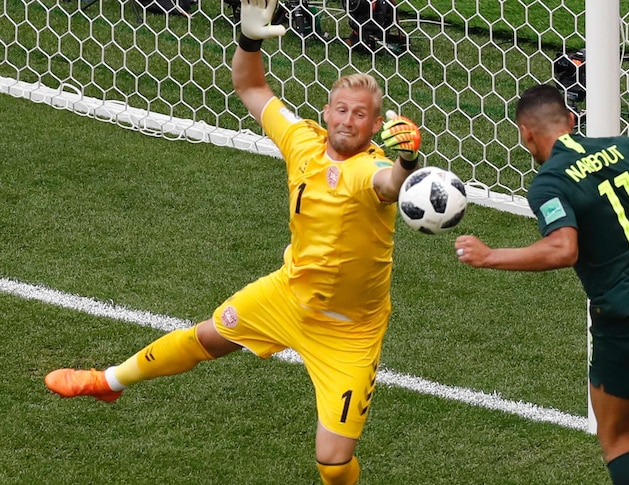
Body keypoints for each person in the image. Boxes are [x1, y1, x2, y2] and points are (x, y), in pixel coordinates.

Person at [44, 0, 422, 483]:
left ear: (375, 125)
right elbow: (250, 85)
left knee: (332, 462)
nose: (349, 120)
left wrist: (408, 161)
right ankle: (106, 382)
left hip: (349, 332)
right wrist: (248, 40)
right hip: (288, 296)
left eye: (362, 114)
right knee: (206, 337)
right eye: (342, 109)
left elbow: (390, 187)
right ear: (326, 111)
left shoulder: (370, 169)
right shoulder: (301, 140)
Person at [455, 84, 629, 485]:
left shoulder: (549, 183)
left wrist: (489, 255)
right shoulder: (626, 147)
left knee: (616, 440)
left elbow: (563, 249)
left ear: (525, 134)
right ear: (570, 120)